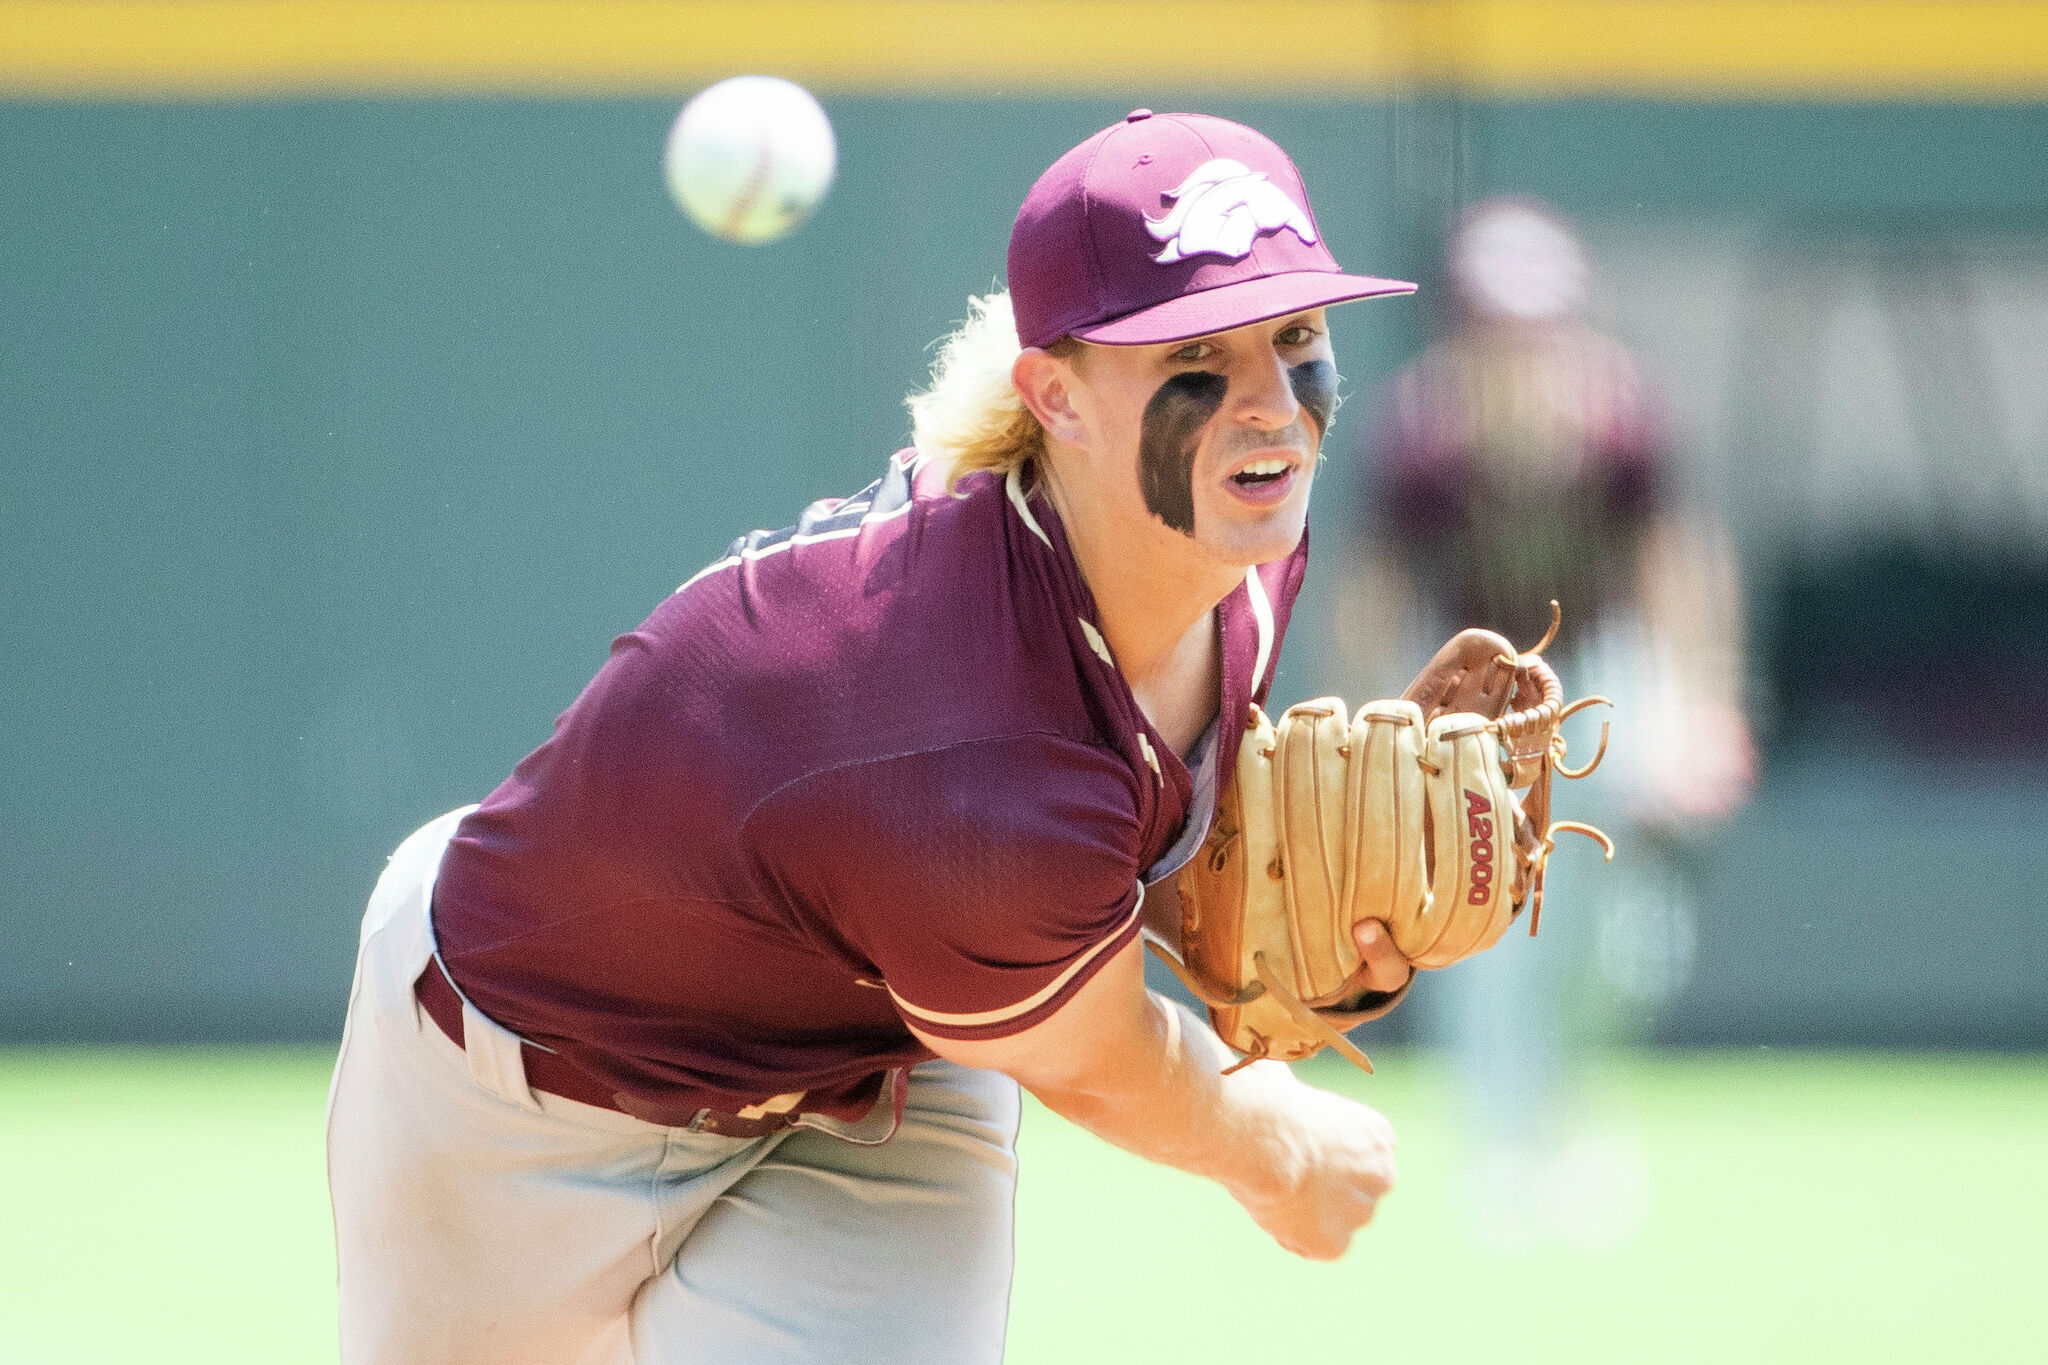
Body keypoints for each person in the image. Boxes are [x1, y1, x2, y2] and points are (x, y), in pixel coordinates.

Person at [327, 110, 1422, 1364]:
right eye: (1197, 356)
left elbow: (1106, 836)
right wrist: (1276, 1147)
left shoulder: (1236, 548)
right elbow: (1103, 1056)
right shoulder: (956, 748)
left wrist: (1272, 927)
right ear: (1052, 398)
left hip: (877, 1057)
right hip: (531, 1081)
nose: (1271, 406)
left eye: (1296, 340)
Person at [1337, 197, 1754, 1249]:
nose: (1521, 350)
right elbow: (1375, 596)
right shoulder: (1422, 436)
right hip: (1479, 692)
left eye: (1538, 326)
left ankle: (1570, 1121)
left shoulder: (1620, 419)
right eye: (1498, 329)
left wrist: (1701, 704)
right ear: (1466, 335)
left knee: (1620, 953)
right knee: (1490, 937)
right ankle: (1505, 1155)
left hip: (1604, 681)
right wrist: (1380, 732)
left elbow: (1675, 568)